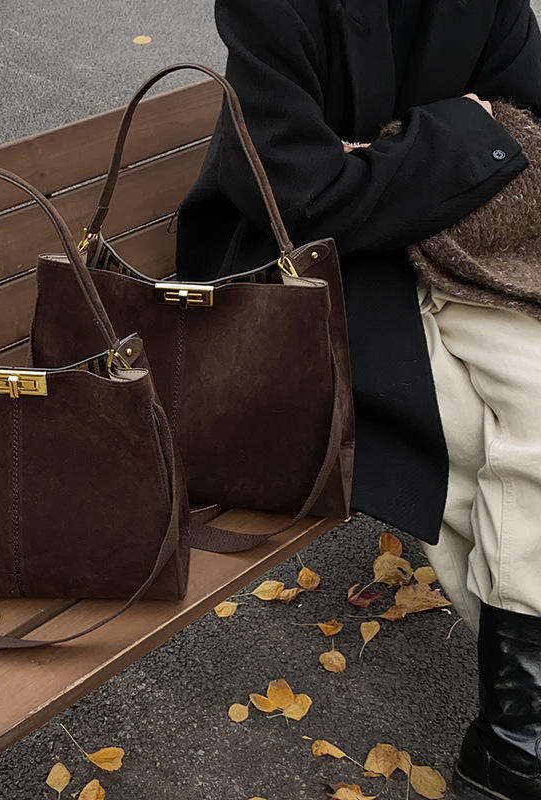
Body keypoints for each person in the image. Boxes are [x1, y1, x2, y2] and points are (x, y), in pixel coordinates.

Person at [176, 2, 541, 798]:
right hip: (303, 280)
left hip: (462, 254)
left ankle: (517, 743)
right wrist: (461, 134)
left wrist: (382, 158)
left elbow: (530, 135)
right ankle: (519, 747)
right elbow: (301, 198)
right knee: (466, 449)